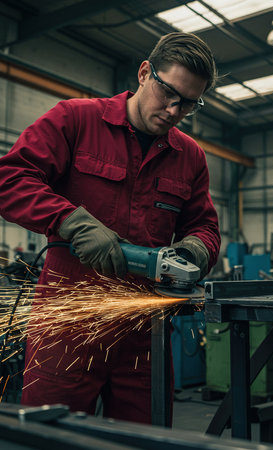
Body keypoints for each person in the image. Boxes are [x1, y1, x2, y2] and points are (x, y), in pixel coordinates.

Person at [0, 32, 221, 424]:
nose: (174, 109)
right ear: (144, 72)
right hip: (68, 325)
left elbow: (204, 226)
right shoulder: (75, 119)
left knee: (144, 439)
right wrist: (69, 220)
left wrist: (194, 251)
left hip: (144, 332)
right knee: (52, 438)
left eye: (189, 103)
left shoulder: (190, 156)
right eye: (168, 92)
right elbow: (10, 179)